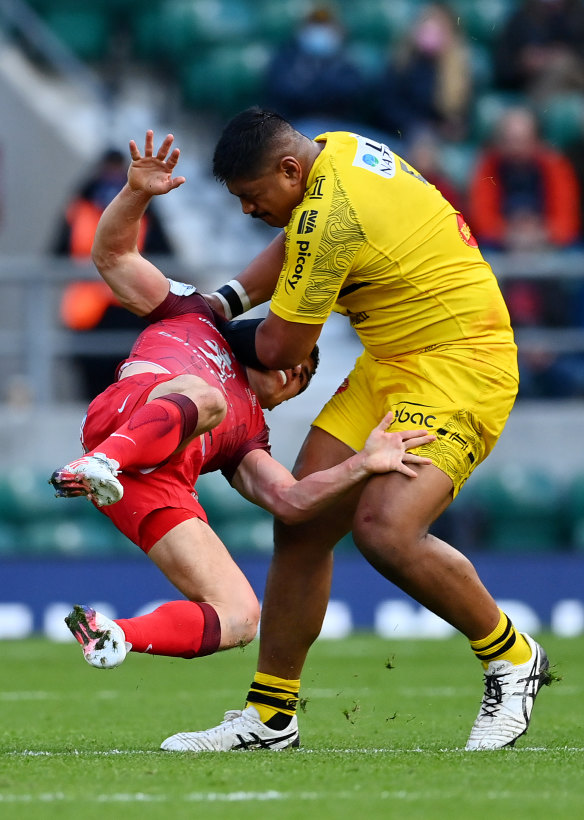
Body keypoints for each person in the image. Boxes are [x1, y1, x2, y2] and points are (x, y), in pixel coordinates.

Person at [159, 107, 552, 754]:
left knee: (385, 527)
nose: (247, 212)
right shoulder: (332, 150)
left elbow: (284, 348)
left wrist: (198, 340)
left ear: (289, 170)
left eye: (252, 198)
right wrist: (220, 303)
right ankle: (271, 715)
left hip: (461, 362)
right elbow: (295, 243)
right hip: (394, 358)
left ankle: (511, 655)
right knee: (303, 517)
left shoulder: (329, 212)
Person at [51, 132, 435, 687]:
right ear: (258, 342)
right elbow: (113, 256)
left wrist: (365, 464)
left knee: (240, 617)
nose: (289, 380)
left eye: (300, 382)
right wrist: (135, 194)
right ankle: (101, 462)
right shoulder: (193, 315)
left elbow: (292, 501)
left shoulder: (248, 435)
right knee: (204, 397)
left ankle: (115, 634)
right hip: (126, 417)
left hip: (148, 486)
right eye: (292, 365)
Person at [54, 148, 175, 400]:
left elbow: (167, 257)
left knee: (130, 395)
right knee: (92, 397)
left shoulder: (146, 209)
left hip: (131, 314)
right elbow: (55, 255)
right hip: (88, 317)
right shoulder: (80, 206)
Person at [468, 105, 581, 252]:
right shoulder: (488, 167)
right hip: (501, 245)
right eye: (509, 140)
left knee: (576, 255)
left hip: (549, 243)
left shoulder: (555, 165)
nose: (516, 147)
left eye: (522, 140)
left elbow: (567, 220)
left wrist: (542, 233)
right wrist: (508, 233)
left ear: (536, 140)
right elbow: (481, 219)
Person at [374, 3, 473, 145]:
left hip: (437, 143)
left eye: (439, 30)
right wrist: (417, 127)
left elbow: (462, 120)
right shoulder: (401, 62)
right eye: (427, 27)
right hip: (397, 134)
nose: (431, 33)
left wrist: (449, 128)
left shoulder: (459, 73)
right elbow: (385, 106)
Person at [263, 6, 368, 137]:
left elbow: (354, 91)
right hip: (295, 125)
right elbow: (284, 91)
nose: (320, 30)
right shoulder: (286, 57)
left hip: (341, 125)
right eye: (315, 24)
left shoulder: (345, 58)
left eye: (325, 25)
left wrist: (308, 83)